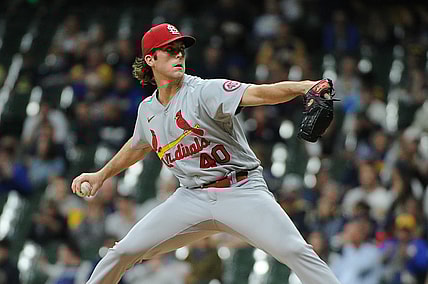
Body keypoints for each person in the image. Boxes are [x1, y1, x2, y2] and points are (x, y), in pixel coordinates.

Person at [71, 23, 341, 284]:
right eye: (170, 49)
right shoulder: (147, 110)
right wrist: (101, 175)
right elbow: (137, 145)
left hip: (241, 189)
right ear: (151, 59)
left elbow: (260, 94)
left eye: (181, 49)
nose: (179, 54)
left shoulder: (204, 91)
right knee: (121, 253)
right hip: (191, 197)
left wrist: (304, 86)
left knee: (296, 251)